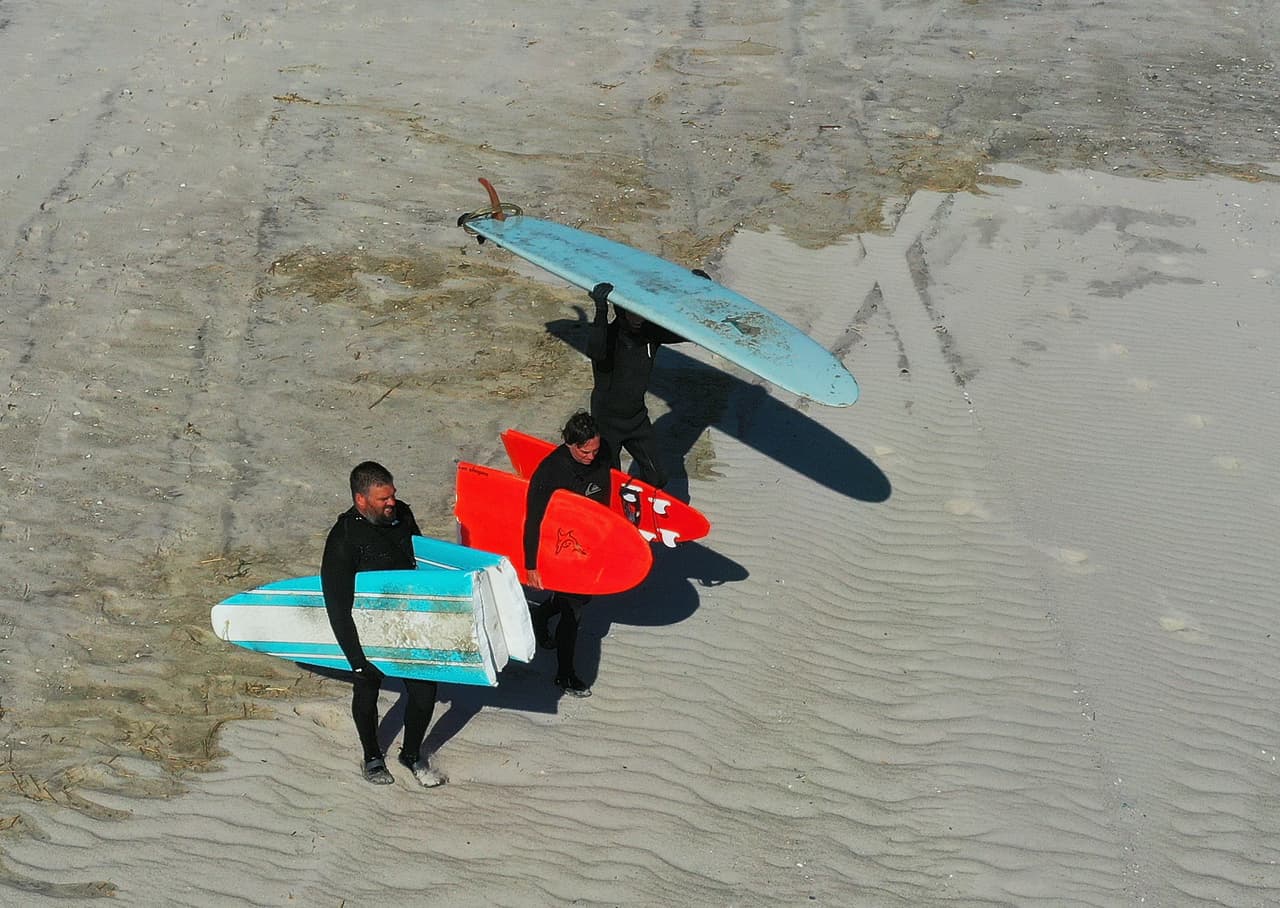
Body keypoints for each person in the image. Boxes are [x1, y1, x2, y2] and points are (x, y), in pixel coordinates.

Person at [320, 461, 446, 788]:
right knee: (366, 687)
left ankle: (411, 753)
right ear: (361, 500)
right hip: (367, 628)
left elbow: (421, 562)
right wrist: (357, 660)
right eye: (382, 499)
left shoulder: (402, 515)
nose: (392, 503)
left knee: (424, 692)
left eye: (392, 495)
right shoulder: (344, 538)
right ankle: (372, 755)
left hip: (406, 623)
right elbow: (337, 605)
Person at [524, 411, 613, 698]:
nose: (592, 457)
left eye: (595, 450)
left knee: (581, 600)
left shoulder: (603, 451)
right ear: (569, 444)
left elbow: (611, 493)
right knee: (573, 613)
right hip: (562, 547)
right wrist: (531, 565)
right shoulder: (550, 471)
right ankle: (565, 675)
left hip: (592, 542)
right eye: (585, 452)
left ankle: (541, 614)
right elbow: (533, 519)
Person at [586, 279, 692, 489]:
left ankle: (641, 510)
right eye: (631, 312)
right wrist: (600, 310)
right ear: (620, 311)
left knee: (658, 478)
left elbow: (684, 330)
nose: (638, 318)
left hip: (637, 420)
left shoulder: (650, 335)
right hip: (607, 424)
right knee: (610, 482)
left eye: (641, 312)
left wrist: (694, 289)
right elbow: (595, 352)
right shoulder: (608, 337)